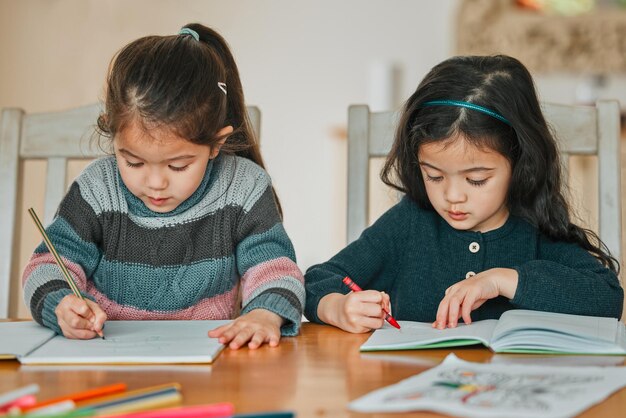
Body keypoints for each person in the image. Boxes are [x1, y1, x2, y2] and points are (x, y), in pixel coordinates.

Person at [22, 24, 305, 349]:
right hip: (104, 355)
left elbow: (274, 267)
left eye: (178, 166)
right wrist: (62, 305)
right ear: (112, 138)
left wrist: (265, 314)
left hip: (211, 360)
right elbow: (47, 266)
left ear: (216, 144)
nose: (155, 183)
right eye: (134, 162)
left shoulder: (244, 187)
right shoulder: (97, 189)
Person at [305, 55, 623, 333]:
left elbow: (607, 297)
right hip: (415, 394)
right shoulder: (410, 222)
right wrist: (338, 308)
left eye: (476, 180)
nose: (452, 196)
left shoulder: (535, 230)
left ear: (519, 164)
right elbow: (319, 280)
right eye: (434, 176)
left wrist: (502, 279)